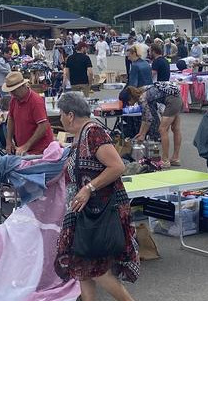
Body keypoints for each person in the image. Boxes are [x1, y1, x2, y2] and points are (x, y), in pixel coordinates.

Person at [53, 92, 139, 300]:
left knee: (97, 270)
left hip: (98, 212)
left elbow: (117, 166)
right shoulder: (82, 135)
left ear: (70, 115)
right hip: (86, 213)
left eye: (61, 114)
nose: (60, 119)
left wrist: (89, 188)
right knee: (83, 267)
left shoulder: (93, 133)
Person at [128, 81, 184, 165]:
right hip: (177, 96)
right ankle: (175, 158)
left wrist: (142, 134)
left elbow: (148, 118)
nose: (129, 104)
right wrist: (141, 133)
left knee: (162, 129)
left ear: (131, 98)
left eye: (128, 102)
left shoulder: (142, 98)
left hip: (172, 101)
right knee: (175, 129)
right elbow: (146, 116)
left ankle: (165, 160)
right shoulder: (144, 88)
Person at [3, 71, 54, 156]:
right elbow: (11, 119)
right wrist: (9, 141)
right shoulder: (14, 99)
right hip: (24, 149)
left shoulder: (35, 101)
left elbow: (43, 126)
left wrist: (26, 146)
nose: (12, 94)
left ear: (22, 86)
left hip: (40, 150)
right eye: (11, 91)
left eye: (14, 91)